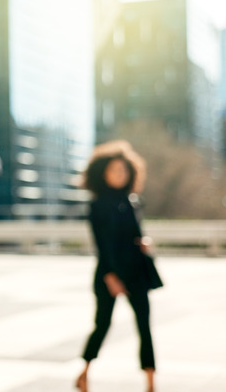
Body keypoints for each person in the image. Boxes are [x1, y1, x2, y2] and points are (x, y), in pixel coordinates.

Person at [76, 140, 162, 392]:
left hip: (136, 271)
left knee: (144, 325)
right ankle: (84, 372)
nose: (119, 174)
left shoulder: (134, 201)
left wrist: (145, 244)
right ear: (102, 173)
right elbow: (102, 245)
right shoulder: (98, 205)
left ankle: (151, 382)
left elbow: (135, 235)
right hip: (108, 273)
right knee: (102, 325)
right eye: (114, 170)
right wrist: (111, 276)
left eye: (123, 170)